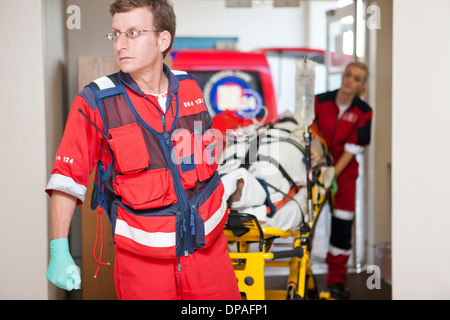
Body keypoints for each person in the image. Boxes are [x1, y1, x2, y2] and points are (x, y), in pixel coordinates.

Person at [45, 0, 241, 300]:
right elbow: (66, 179)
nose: (120, 44)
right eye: (116, 34)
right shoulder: (95, 102)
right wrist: (59, 248)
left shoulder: (190, 89)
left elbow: (205, 161)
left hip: (209, 252)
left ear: (163, 40)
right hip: (144, 265)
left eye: (133, 33)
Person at [314, 62, 372, 299]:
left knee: (341, 225)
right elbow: (310, 132)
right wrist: (318, 163)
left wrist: (333, 174)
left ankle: (336, 280)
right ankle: (303, 272)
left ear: (362, 85)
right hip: (315, 168)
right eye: (348, 75)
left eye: (357, 79)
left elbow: (354, 147)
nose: (350, 80)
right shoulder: (320, 101)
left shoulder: (363, 111)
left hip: (345, 173)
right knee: (306, 222)